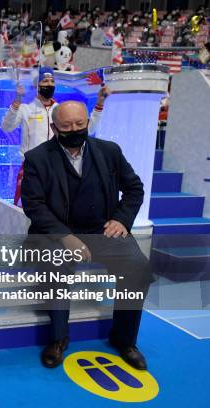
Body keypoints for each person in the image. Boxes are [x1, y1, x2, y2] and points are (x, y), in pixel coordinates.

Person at [21, 101, 150, 370]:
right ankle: (58, 339)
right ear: (54, 127)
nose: (74, 129)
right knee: (55, 264)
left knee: (138, 266)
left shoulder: (109, 151)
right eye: (67, 126)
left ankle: (124, 339)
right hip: (55, 234)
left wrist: (121, 219)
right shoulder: (37, 158)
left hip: (102, 230)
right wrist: (66, 237)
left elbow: (134, 189)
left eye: (80, 124)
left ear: (87, 123)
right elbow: (33, 205)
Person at [1, 66, 109, 206]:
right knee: (25, 210)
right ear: (36, 85)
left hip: (57, 168)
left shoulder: (61, 111)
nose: (49, 85)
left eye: (52, 81)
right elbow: (6, 127)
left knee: (56, 210)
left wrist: (99, 104)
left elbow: (88, 128)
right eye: (45, 81)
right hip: (31, 168)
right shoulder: (25, 109)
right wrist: (17, 100)